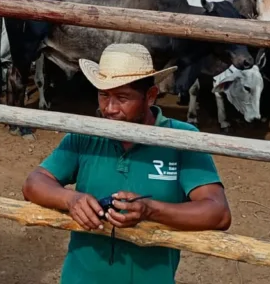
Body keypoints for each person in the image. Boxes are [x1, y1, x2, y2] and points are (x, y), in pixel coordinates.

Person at [22, 42, 231, 284]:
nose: (110, 109)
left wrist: (151, 210)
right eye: (103, 95)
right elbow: (33, 183)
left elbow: (219, 213)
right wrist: (71, 200)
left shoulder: (181, 139)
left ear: (150, 96)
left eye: (122, 98)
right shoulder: (86, 134)